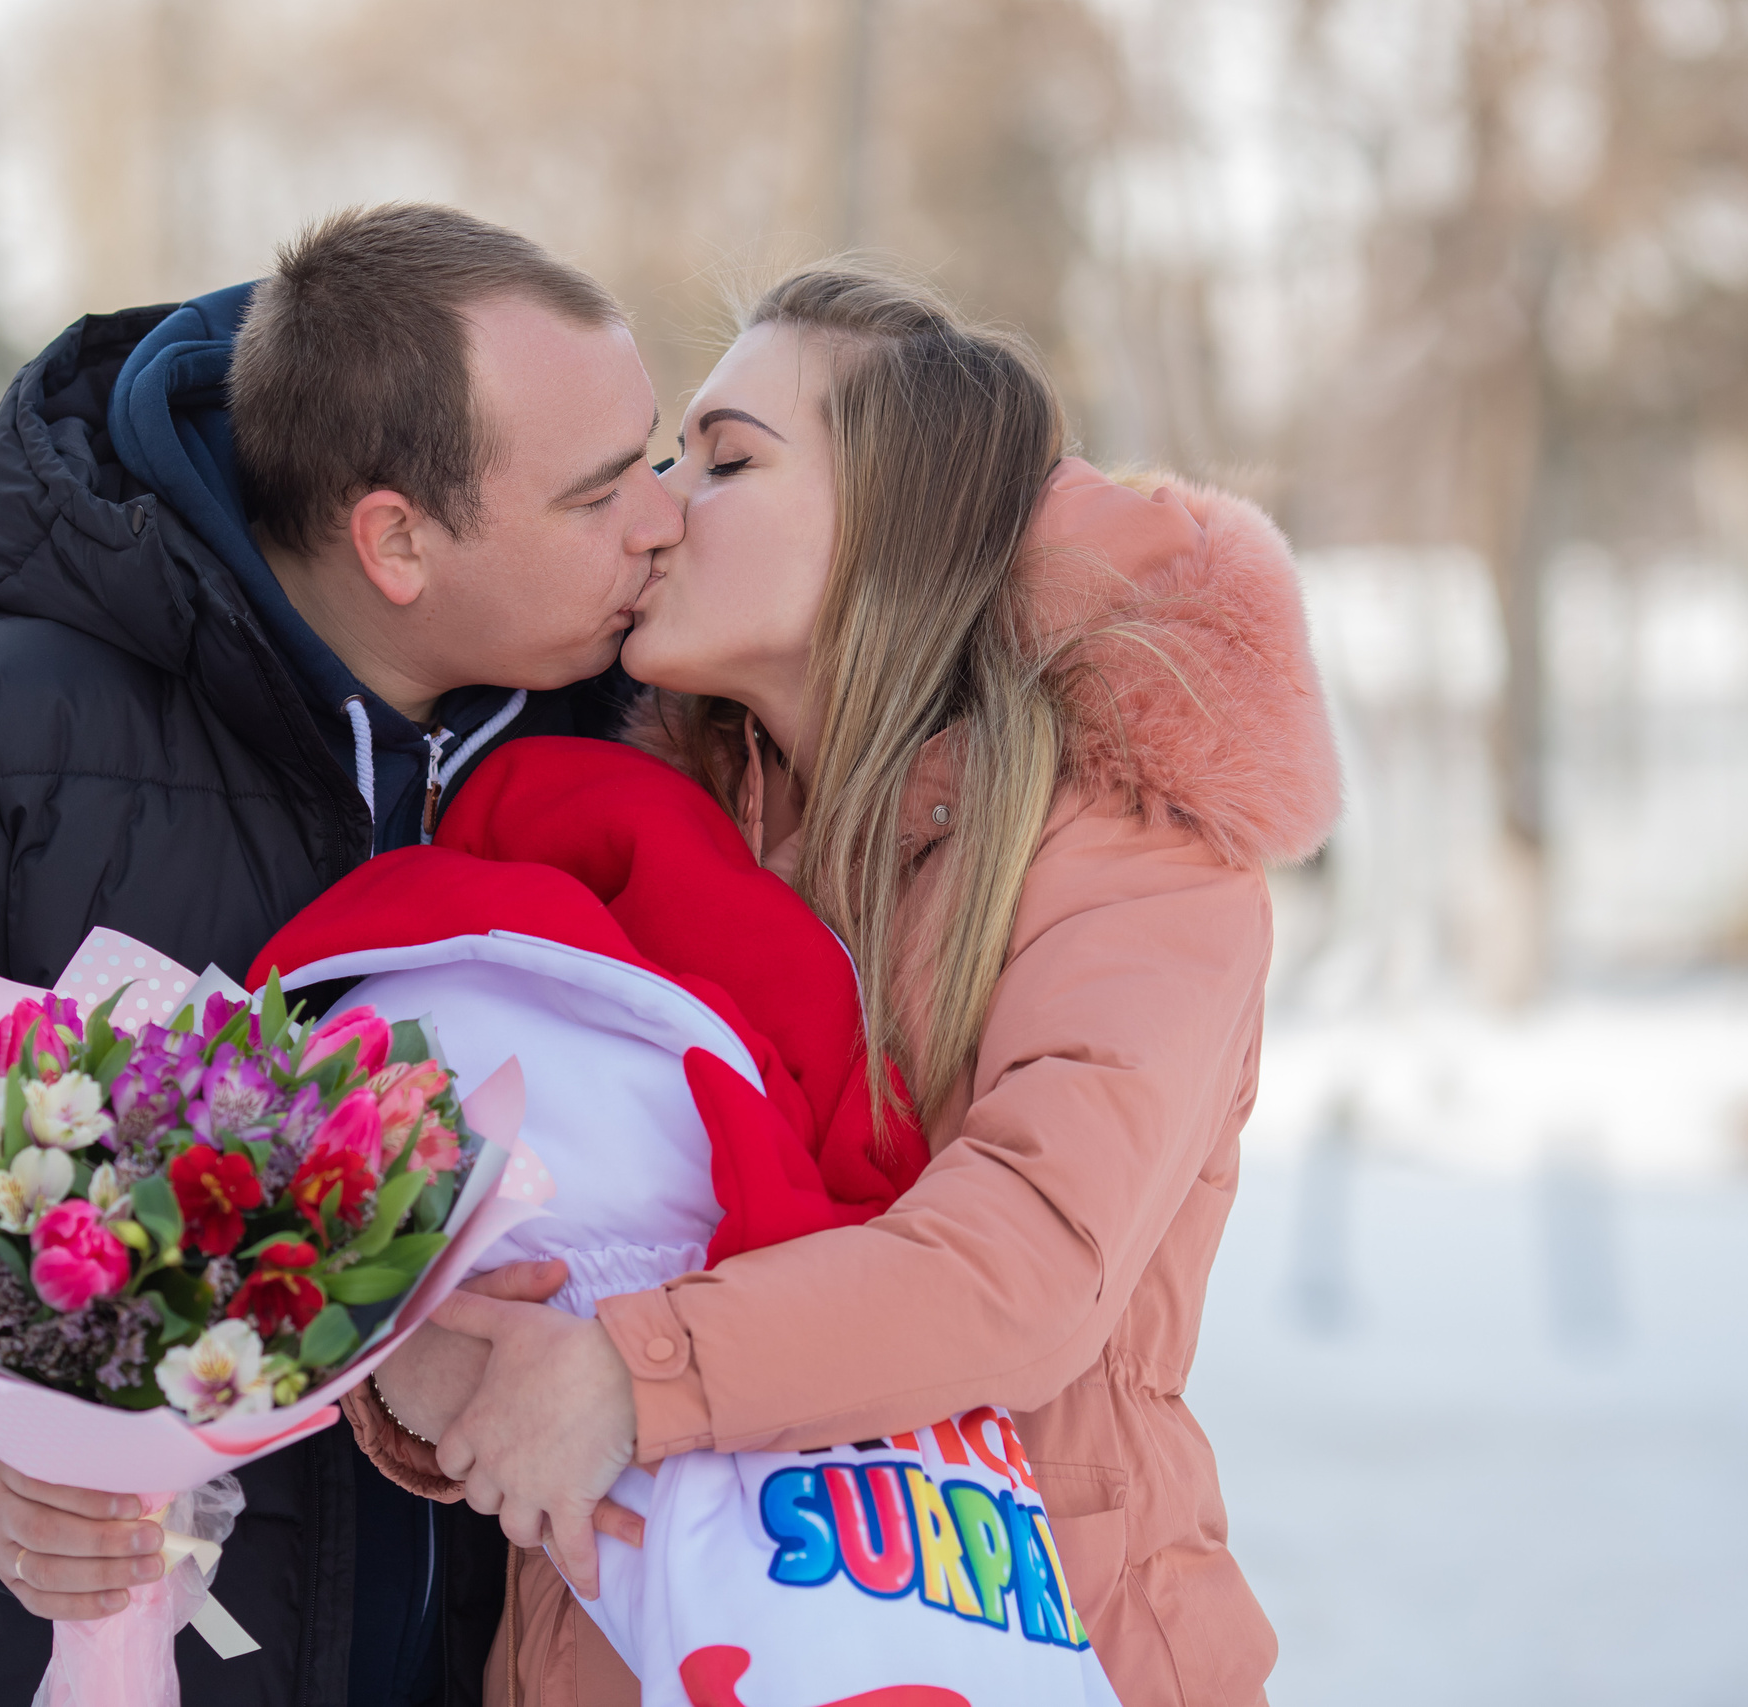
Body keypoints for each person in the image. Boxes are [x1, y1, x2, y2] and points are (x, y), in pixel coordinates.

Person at [0, 202, 681, 1707]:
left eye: (659, 460)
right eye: (602, 492)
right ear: (396, 540)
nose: (663, 519)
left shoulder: (619, 761)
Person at [363, 265, 1341, 1706]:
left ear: (897, 520)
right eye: (665, 455)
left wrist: (630, 1380)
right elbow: (535, 1231)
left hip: (1013, 1636)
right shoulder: (627, 834)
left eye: (726, 457)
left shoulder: (1132, 846)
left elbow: (1024, 1269)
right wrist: (429, 1365)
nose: (661, 502)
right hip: (628, 1653)